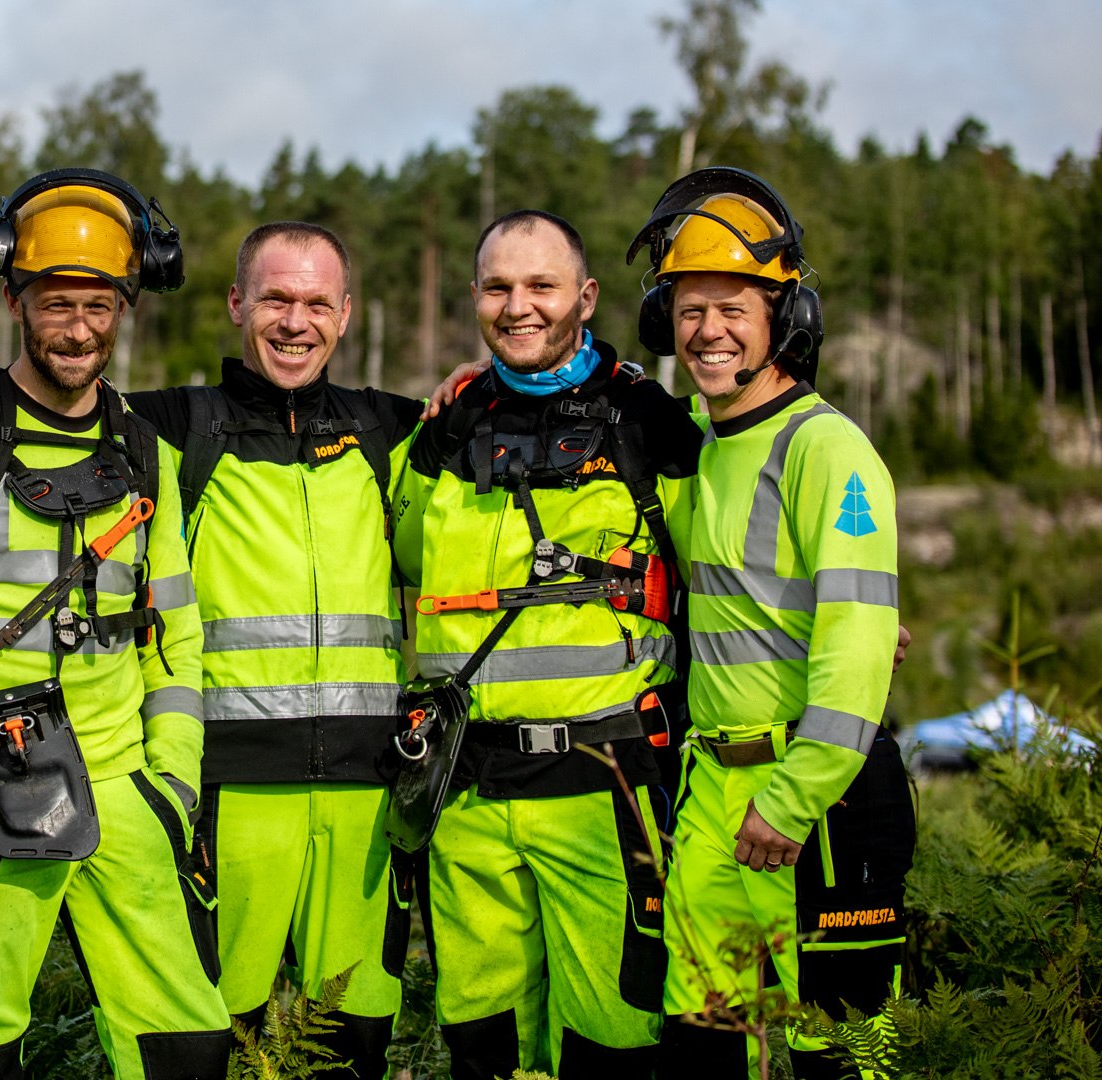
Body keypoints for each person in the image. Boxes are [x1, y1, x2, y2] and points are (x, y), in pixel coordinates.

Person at [0, 214, 443, 1076]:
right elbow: (21, 403)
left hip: (334, 792)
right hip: (187, 786)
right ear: (237, 304)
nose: (294, 322)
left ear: (347, 313)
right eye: (274, 298)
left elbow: (499, 427)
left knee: (315, 1044)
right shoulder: (181, 427)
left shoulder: (391, 430)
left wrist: (558, 385)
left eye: (315, 302)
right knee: (155, 1035)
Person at [0, 170, 232, 1079]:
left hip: (125, 788)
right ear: (16, 299)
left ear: (126, 307)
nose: (79, 328)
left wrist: (172, 782)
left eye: (99, 305)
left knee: (189, 1040)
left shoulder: (148, 451)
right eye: (56, 303)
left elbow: (177, 639)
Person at [389, 209, 703, 1079]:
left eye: (541, 286)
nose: (517, 306)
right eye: (498, 287)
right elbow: (398, 555)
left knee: (610, 1033)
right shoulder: (447, 426)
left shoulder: (652, 427)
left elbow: (727, 575)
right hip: (465, 798)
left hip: (604, 791)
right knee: (480, 1039)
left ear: (586, 296)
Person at [631, 169, 914, 1080]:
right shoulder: (703, 453)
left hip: (818, 803)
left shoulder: (828, 450)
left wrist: (795, 798)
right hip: (715, 797)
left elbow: (860, 640)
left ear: (784, 320)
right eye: (687, 308)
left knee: (847, 1057)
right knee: (708, 1051)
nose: (706, 330)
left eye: (733, 307)